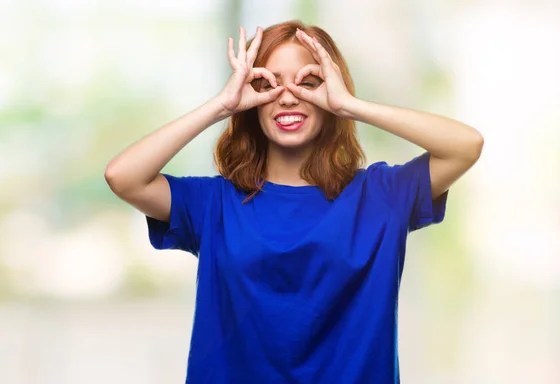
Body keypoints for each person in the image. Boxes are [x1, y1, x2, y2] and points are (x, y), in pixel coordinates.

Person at [105, 20, 483, 384]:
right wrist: (223, 105)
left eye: (308, 82)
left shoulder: (383, 196)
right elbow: (123, 177)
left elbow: (465, 147)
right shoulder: (213, 203)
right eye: (267, 83)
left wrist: (350, 105)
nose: (287, 96)